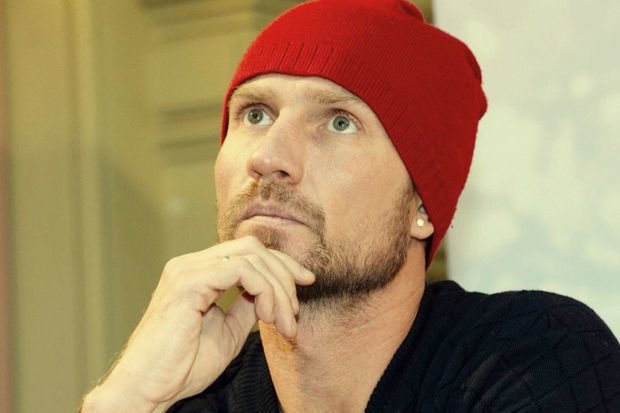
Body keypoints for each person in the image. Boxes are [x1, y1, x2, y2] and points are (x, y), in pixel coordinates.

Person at [80, 0, 620, 411]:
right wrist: (126, 398)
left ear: (422, 206)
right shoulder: (198, 396)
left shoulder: (534, 356)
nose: (269, 157)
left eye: (339, 122)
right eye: (255, 114)